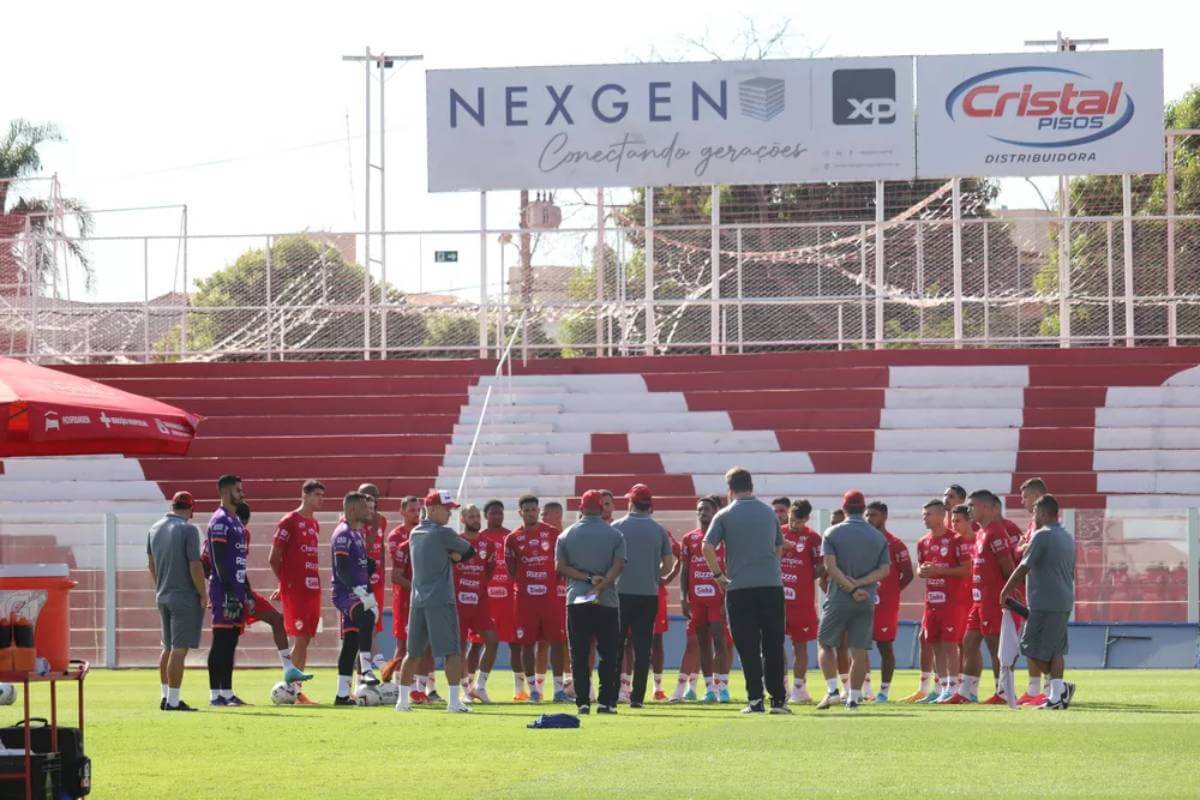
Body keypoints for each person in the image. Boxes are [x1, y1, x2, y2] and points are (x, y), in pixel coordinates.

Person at [703, 467, 789, 714]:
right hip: (771, 586)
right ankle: (779, 701)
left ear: (729, 489)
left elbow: (707, 547)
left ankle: (755, 700)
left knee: (747, 645)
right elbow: (779, 547)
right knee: (773, 644)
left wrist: (718, 575)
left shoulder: (725, 515)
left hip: (740, 587)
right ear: (752, 485)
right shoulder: (768, 513)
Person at [396, 489, 474, 713]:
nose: (450, 514)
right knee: (452, 652)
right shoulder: (444, 533)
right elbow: (469, 550)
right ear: (433, 509)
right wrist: (455, 557)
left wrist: (450, 555)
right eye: (447, 509)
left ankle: (402, 701)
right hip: (441, 599)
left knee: (413, 653)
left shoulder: (414, 533)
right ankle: (453, 702)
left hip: (418, 600)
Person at [1000, 494, 1077, 710]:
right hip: (1063, 599)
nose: (1033, 516)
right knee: (1056, 649)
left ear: (1042, 513)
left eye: (1034, 512)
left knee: (1030, 648)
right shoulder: (1067, 536)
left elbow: (1024, 566)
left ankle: (1059, 689)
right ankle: (1057, 694)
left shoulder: (1041, 536)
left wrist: (1006, 590)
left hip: (1044, 601)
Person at [815, 490, 890, 711]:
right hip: (866, 598)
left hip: (839, 597)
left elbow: (830, 567)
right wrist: (860, 584)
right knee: (859, 650)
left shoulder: (832, 532)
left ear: (845, 507)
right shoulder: (877, 536)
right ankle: (854, 698)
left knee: (825, 643)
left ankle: (832, 691)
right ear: (863, 508)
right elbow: (884, 570)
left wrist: (849, 587)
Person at [555, 489, 626, 714]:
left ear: (581, 508)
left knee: (579, 652)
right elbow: (620, 563)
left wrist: (586, 578)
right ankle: (606, 701)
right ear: (602, 508)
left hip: (577, 599)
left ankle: (583, 700)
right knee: (609, 653)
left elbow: (560, 567)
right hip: (606, 600)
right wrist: (604, 583)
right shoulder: (615, 535)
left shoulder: (566, 535)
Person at [945, 490, 1016, 705]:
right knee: (969, 642)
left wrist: (1005, 594)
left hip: (992, 600)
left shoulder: (996, 532)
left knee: (995, 646)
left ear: (986, 508)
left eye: (973, 505)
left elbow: (1008, 567)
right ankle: (966, 692)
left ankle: (1004, 692)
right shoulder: (982, 533)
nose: (970, 509)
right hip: (979, 600)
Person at [234, 502, 312, 695]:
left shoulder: (243, 533)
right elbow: (209, 563)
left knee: (277, 620)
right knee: (226, 640)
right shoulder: (224, 530)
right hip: (228, 591)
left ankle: (288, 669)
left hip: (244, 589)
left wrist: (248, 592)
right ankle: (220, 692)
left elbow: (239, 566)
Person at [613, 484, 675, 709]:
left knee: (616, 646)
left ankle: (612, 693)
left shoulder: (617, 527)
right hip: (648, 594)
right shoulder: (658, 530)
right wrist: (653, 572)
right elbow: (668, 564)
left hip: (620, 593)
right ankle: (637, 697)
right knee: (642, 647)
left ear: (630, 502)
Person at [506, 494, 568, 703]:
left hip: (549, 598)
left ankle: (559, 690)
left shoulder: (552, 533)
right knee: (527, 644)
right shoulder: (513, 538)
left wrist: (549, 582)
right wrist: (526, 584)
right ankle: (533, 690)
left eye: (534, 509)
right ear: (520, 513)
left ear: (537, 510)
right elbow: (511, 570)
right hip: (525, 600)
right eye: (527, 510)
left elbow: (560, 564)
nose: (531, 513)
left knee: (557, 642)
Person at [147, 491, 206, 711]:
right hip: (184, 595)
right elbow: (194, 564)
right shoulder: (188, 529)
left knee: (168, 647)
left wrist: (160, 586)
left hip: (163, 593)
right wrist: (203, 593)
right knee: (180, 649)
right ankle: (173, 700)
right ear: (191, 509)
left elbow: (151, 564)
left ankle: (165, 696)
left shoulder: (154, 528)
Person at [269, 480, 325, 704]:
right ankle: (290, 690)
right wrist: (284, 584)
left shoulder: (314, 523)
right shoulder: (289, 521)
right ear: (305, 495)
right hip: (296, 589)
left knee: (306, 638)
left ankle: (294, 689)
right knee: (301, 637)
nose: (321, 499)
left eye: (322, 495)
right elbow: (274, 558)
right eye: (317, 495)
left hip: (312, 586)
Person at [330, 492, 382, 705]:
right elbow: (341, 569)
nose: (368, 511)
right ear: (351, 510)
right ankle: (367, 669)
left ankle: (342, 695)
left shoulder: (358, 533)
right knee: (366, 618)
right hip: (345, 593)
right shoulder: (343, 533)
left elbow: (359, 568)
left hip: (358, 591)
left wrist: (368, 588)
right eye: (364, 507)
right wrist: (361, 593)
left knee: (351, 642)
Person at [914, 499, 968, 703]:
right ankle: (940, 687)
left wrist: (940, 570)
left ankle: (953, 688)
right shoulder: (923, 542)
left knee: (950, 644)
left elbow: (966, 569)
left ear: (939, 516)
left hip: (952, 602)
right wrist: (923, 571)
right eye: (923, 514)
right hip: (932, 602)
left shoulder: (956, 540)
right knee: (934, 643)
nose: (924, 518)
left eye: (928, 514)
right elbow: (920, 569)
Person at [205, 475, 251, 707]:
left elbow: (239, 560)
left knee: (231, 640)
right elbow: (219, 560)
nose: (241, 493)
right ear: (224, 493)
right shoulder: (220, 520)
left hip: (236, 587)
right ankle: (215, 694)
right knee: (221, 640)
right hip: (224, 589)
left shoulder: (235, 521)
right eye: (237, 490)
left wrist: (246, 591)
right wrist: (229, 592)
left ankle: (227, 691)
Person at [678, 496, 729, 702]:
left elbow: (730, 566)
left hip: (717, 597)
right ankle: (709, 688)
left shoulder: (725, 538)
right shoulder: (690, 538)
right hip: (697, 598)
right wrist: (683, 597)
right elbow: (684, 570)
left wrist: (727, 597)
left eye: (706, 509)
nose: (702, 513)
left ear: (715, 511)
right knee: (702, 642)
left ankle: (722, 687)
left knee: (720, 641)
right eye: (699, 510)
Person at [864, 501, 913, 702]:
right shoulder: (862, 542)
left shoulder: (895, 543)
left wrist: (892, 592)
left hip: (885, 605)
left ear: (884, 516)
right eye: (867, 515)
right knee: (859, 645)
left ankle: (884, 691)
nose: (869, 519)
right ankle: (864, 689)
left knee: (885, 646)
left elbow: (908, 574)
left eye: (873, 515)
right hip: (864, 601)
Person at [475, 500, 523, 701]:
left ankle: (519, 689)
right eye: (493, 513)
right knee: (476, 644)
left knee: (515, 644)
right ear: (486, 516)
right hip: (485, 599)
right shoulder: (479, 538)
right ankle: (471, 686)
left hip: (508, 599)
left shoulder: (510, 537)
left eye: (500, 513)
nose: (497, 516)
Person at [453, 504, 499, 704]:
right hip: (458, 602)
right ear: (463, 519)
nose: (475, 519)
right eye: (471, 516)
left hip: (479, 601)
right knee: (460, 646)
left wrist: (477, 588)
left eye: (477, 516)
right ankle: (465, 689)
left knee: (493, 639)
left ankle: (480, 686)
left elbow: (488, 571)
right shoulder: (455, 542)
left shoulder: (487, 544)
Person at [781, 499, 824, 704]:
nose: (794, 524)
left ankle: (799, 689)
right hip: (777, 600)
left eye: (798, 521)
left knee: (800, 645)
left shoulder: (813, 538)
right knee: (775, 643)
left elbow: (821, 565)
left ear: (806, 519)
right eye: (791, 519)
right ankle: (781, 686)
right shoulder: (778, 532)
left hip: (802, 601)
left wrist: (805, 576)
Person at [1015, 477, 1050, 705]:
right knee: (1031, 642)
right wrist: (1024, 546)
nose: (1022, 501)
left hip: (1047, 590)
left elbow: (1035, 549)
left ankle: (1049, 691)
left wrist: (1025, 547)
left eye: (1026, 496)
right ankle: (1034, 689)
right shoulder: (1032, 524)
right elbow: (1020, 548)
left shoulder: (1048, 524)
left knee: (1046, 643)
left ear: (1037, 496)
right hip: (1033, 590)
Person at [382, 497, 416, 687]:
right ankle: (395, 685)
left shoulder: (424, 532)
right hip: (404, 596)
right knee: (403, 644)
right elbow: (398, 572)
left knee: (425, 645)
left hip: (423, 597)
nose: (416, 514)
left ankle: (428, 687)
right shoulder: (396, 536)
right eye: (412, 510)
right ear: (402, 511)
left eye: (418, 510)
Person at [357, 483, 389, 665]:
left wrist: (382, 571)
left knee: (373, 628)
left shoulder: (381, 520)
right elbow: (366, 546)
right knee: (360, 629)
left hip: (377, 581)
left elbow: (380, 547)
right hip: (359, 581)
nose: (370, 499)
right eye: (365, 496)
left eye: (374, 496)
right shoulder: (353, 521)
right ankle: (378, 668)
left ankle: (363, 679)